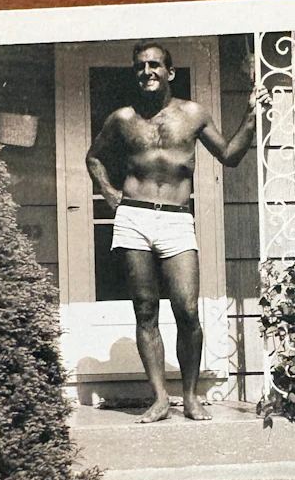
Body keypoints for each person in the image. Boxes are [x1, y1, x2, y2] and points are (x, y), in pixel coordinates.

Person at [86, 42, 270, 423]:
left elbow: (230, 155)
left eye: (155, 65)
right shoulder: (122, 118)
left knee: (187, 309)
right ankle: (159, 399)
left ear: (170, 73)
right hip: (134, 219)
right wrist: (108, 192)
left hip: (175, 219)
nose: (147, 71)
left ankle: (189, 396)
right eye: (140, 66)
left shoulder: (193, 114)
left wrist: (252, 118)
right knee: (145, 310)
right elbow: (94, 156)